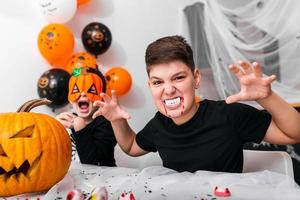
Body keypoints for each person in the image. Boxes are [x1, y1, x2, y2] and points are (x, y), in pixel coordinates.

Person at [92, 35, 300, 173]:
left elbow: (294, 133)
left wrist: (266, 97)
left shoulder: (228, 115)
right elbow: (130, 146)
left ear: (196, 78)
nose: (168, 89)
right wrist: (116, 119)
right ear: (150, 86)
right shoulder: (159, 125)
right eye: (158, 82)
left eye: (178, 78)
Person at [56, 67, 117, 166]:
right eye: (76, 89)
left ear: (101, 97)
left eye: (91, 89)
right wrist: (53, 128)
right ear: (70, 97)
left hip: (100, 179)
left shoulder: (106, 123)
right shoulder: (66, 119)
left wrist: (79, 124)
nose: (83, 94)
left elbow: (92, 163)